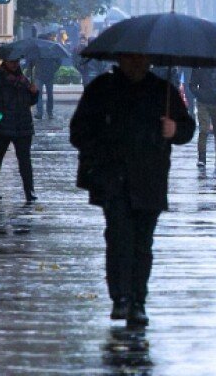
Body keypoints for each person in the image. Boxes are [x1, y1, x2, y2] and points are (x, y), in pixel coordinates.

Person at [70, 53, 195, 327]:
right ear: (121, 59)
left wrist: (175, 129)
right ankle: (121, 298)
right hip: (112, 179)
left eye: (142, 59)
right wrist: (102, 142)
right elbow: (78, 132)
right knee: (118, 239)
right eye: (131, 59)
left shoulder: (162, 91)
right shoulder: (102, 89)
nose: (137, 64)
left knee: (142, 244)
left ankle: (138, 300)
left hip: (150, 179)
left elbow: (187, 128)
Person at [0, 57, 39, 202]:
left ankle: (29, 191)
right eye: (11, 61)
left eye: (16, 61)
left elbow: (30, 101)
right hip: (2, 125)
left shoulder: (24, 80)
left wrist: (34, 93)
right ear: (5, 62)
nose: (14, 64)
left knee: (25, 160)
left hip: (23, 125)